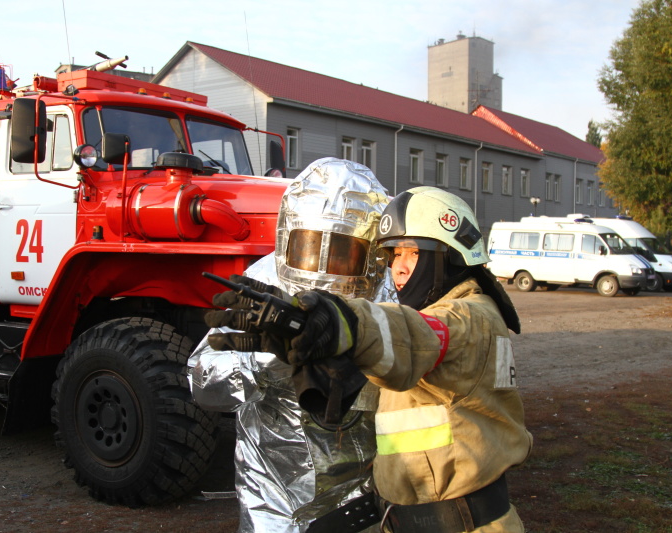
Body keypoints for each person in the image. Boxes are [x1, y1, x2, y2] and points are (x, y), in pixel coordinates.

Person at [208, 186, 532, 533]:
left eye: (413, 253)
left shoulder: (468, 318)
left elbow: (411, 333)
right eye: (393, 254)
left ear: (450, 255)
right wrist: (311, 351)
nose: (399, 268)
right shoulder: (455, 316)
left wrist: (341, 323)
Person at [190, 157, 396, 533]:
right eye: (308, 244)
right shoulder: (265, 283)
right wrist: (265, 360)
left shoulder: (387, 293)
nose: (321, 266)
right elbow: (203, 385)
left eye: (342, 252)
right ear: (287, 235)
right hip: (272, 494)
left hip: (362, 493)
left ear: (372, 253)